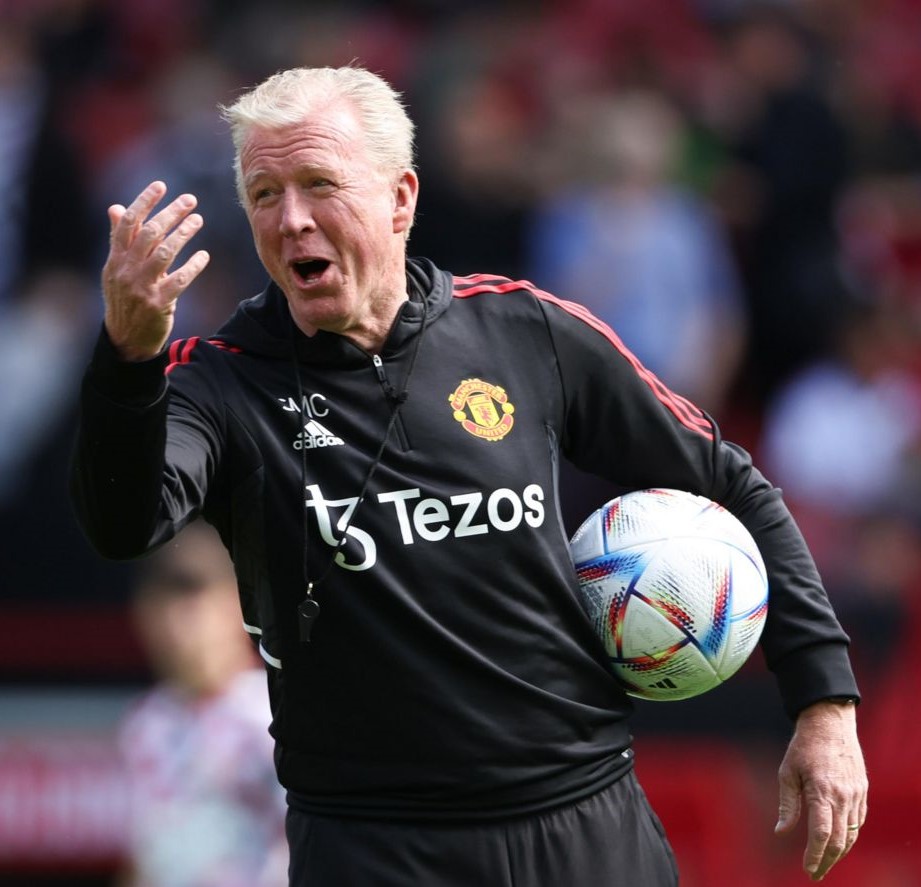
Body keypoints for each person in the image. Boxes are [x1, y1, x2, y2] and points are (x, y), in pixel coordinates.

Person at [71, 65, 867, 885]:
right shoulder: (217, 378)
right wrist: (128, 361)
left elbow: (730, 484)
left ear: (400, 198)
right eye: (264, 194)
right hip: (375, 848)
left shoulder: (523, 329)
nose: (291, 218)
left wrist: (824, 704)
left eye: (318, 185)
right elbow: (123, 522)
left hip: (583, 825)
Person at [117, 520, 287, 887]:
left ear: (236, 605)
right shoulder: (145, 725)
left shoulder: (274, 717)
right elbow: (147, 857)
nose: (176, 629)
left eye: (192, 607)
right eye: (162, 608)